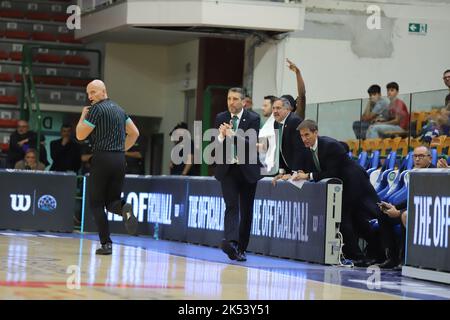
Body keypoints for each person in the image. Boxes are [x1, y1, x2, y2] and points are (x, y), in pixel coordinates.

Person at [289, 120, 382, 266]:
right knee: (354, 220)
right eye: (302, 136)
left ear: (316, 133)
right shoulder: (308, 149)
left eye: (307, 135)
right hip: (343, 186)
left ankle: (360, 255)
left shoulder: (330, 145)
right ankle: (365, 254)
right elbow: (310, 168)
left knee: (349, 218)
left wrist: (308, 176)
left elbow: (333, 172)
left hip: (355, 182)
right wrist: (299, 173)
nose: (304, 139)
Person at [76, 79, 140, 255]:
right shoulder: (120, 110)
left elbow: (80, 135)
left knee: (96, 203)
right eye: (88, 93)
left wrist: (83, 116)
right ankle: (124, 208)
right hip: (119, 159)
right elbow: (135, 133)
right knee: (112, 202)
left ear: (103, 91)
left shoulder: (96, 110)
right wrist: (121, 149)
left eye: (93, 92)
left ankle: (106, 244)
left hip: (102, 158)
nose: (90, 97)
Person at [214, 87, 261, 262]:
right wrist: (220, 136)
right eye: (228, 98)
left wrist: (232, 135)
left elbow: (251, 144)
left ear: (244, 102)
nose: (231, 102)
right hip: (228, 170)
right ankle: (232, 244)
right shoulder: (221, 118)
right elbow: (214, 146)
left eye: (235, 99)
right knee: (231, 205)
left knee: (247, 210)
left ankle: (241, 248)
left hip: (247, 169)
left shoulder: (253, 118)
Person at [376, 146, 436, 269]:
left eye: (421, 156)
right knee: (384, 213)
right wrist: (394, 207)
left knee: (405, 215)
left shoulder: (434, 172)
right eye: (415, 156)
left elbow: (425, 199)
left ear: (430, 158)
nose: (417, 159)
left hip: (427, 210)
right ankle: (392, 258)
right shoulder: (414, 172)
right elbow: (412, 197)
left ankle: (405, 259)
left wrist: (398, 212)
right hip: (414, 207)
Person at [271, 97, 309, 182]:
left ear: (287, 109)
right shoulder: (276, 124)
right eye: (273, 108)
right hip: (289, 169)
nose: (275, 111)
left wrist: (294, 173)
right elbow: (280, 148)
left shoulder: (294, 121)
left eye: (278, 108)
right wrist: (281, 172)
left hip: (301, 170)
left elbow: (299, 149)